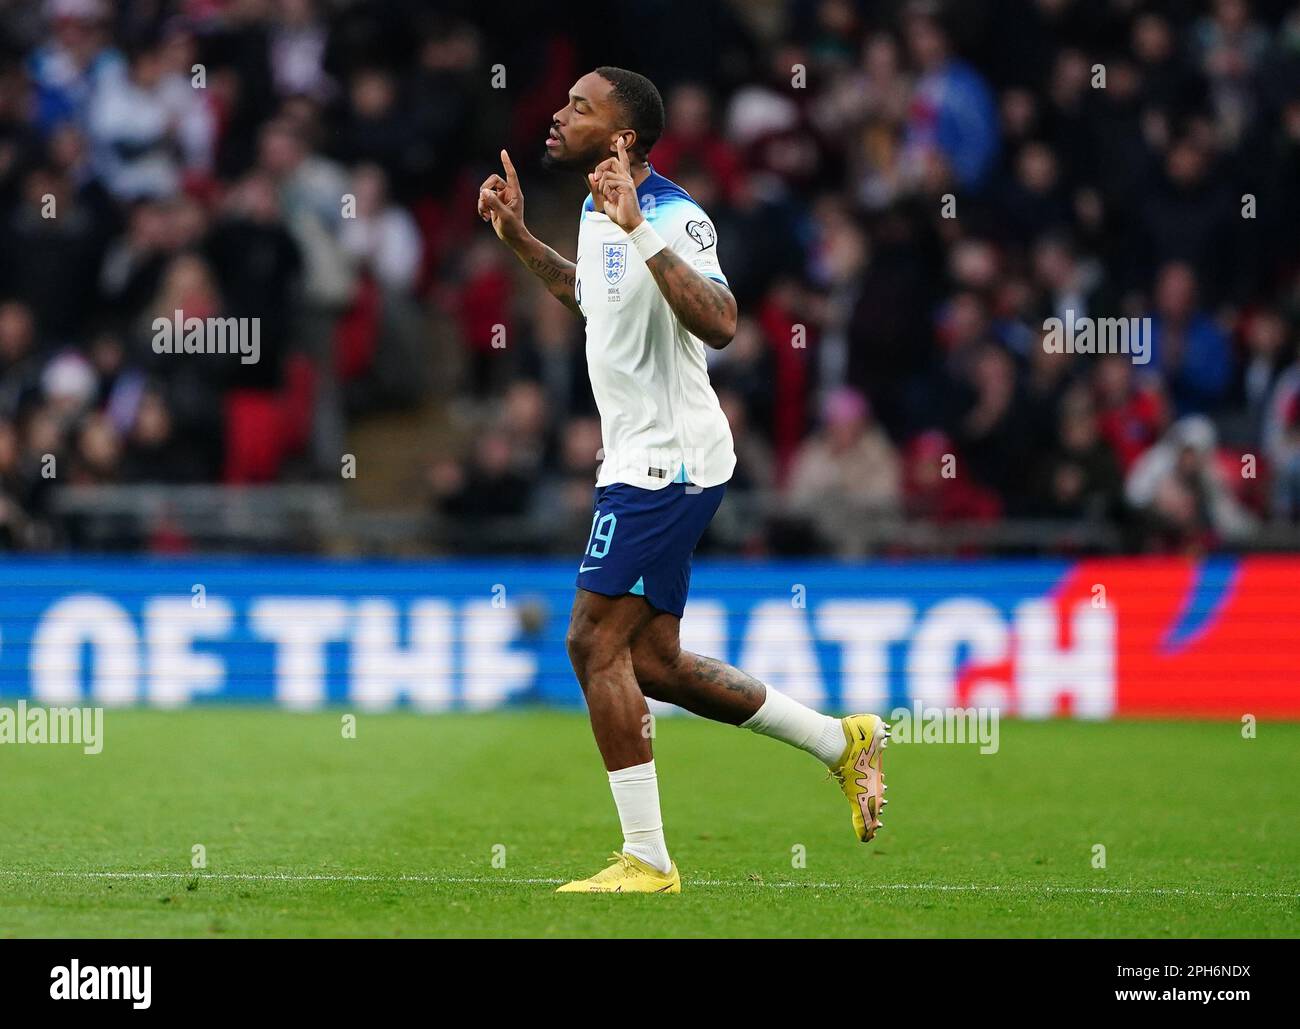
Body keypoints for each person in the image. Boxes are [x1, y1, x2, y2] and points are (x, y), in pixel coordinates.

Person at [477, 67, 889, 894]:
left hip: (669, 461)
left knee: (591, 641)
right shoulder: (598, 209)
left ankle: (648, 858)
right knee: (654, 663)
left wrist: (645, 234)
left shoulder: (672, 214)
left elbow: (724, 322)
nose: (557, 116)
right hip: (639, 459)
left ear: (623, 139)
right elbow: (592, 299)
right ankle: (842, 742)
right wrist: (522, 239)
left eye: (579, 108)